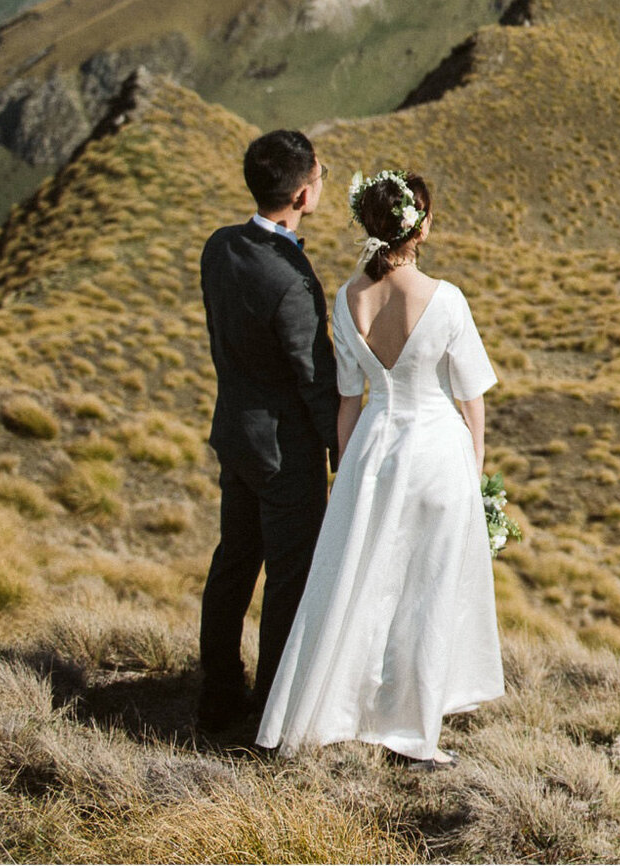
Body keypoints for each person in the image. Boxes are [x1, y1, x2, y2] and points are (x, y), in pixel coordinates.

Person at [255, 168, 504, 765]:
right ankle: (413, 731)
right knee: (427, 590)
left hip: (372, 448)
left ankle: (341, 709)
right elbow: (472, 398)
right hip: (435, 451)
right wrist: (474, 470)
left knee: (361, 583)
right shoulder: (445, 299)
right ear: (421, 226)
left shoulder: (346, 299)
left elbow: (349, 398)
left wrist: (347, 470)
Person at [196, 128, 336, 737]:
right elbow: (315, 378)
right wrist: (346, 451)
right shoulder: (292, 279)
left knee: (232, 564)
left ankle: (218, 695)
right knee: (288, 579)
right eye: (321, 176)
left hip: (235, 435)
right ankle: (272, 713)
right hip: (285, 454)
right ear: (303, 195)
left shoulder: (220, 246)